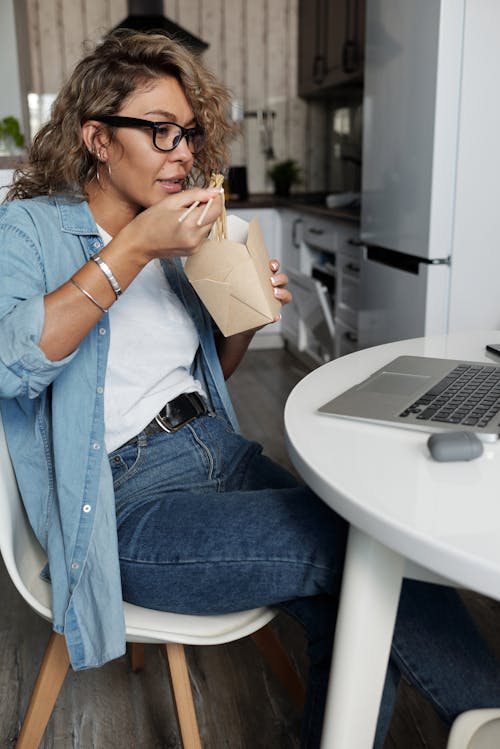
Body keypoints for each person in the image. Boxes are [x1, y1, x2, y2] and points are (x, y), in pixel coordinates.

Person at [0, 28, 499, 749]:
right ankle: (487, 715)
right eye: (161, 132)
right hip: (126, 503)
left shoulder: (175, 241)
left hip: (218, 452)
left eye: (189, 135)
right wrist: (134, 248)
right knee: (359, 551)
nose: (183, 152)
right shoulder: (30, 232)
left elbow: (207, 375)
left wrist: (245, 315)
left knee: (359, 565)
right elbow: (12, 364)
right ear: (98, 140)